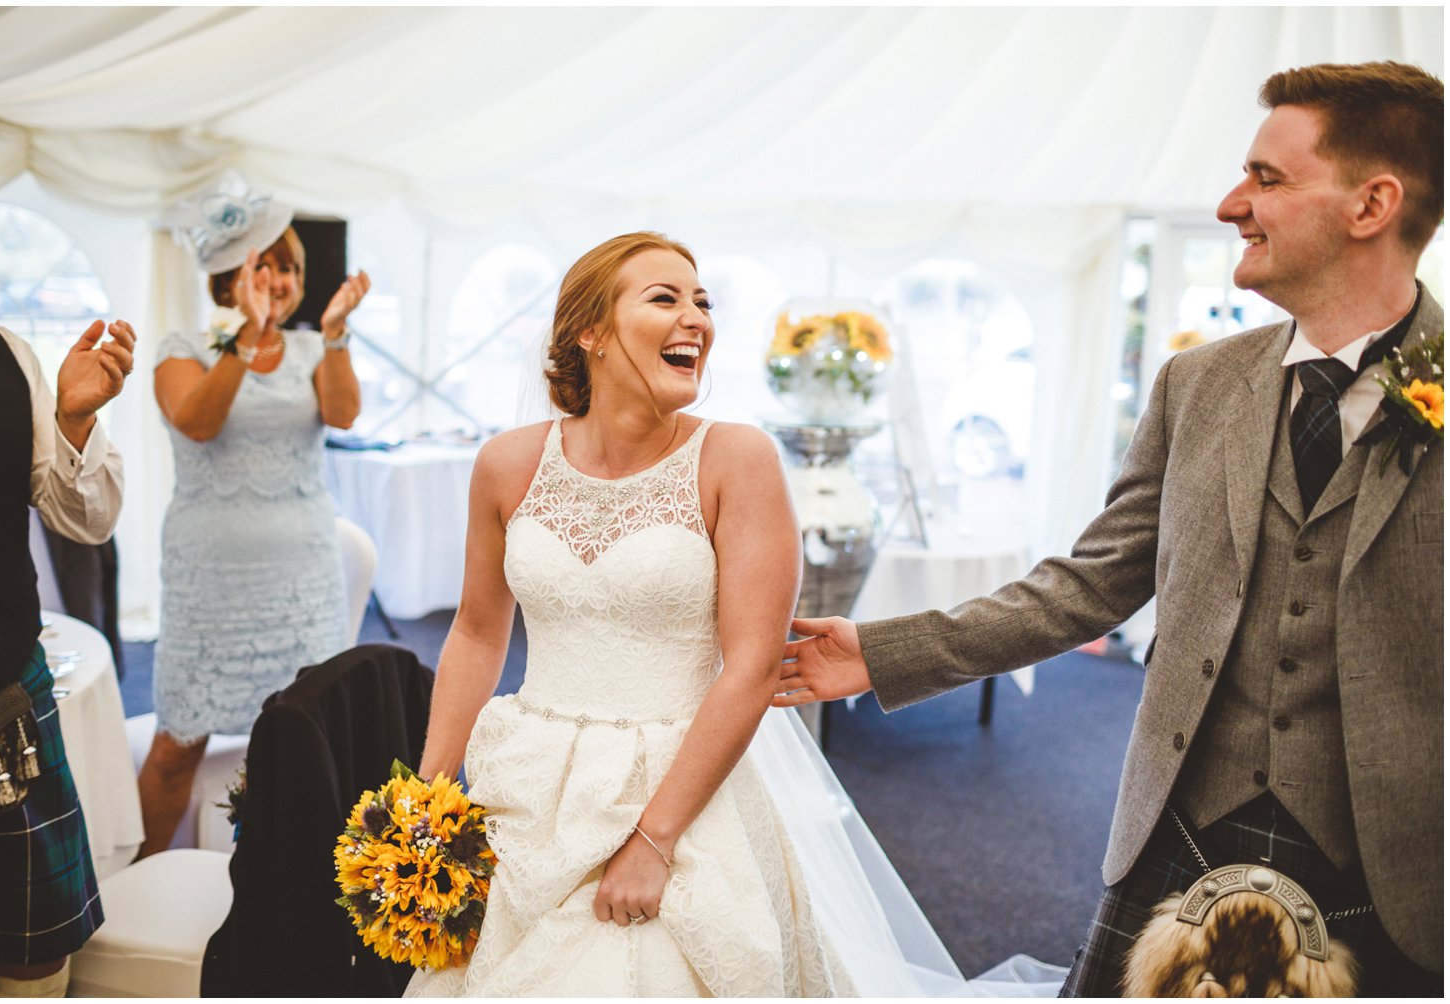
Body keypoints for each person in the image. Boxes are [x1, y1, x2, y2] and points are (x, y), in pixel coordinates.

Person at [775, 61, 1443, 997]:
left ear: (1372, 204)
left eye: (1266, 178)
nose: (1229, 204)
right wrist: (887, 651)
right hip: (1183, 829)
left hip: (1396, 873)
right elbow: (1090, 585)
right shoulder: (1197, 386)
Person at [404, 232, 1053, 997]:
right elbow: (478, 631)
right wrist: (427, 802)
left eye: (702, 301)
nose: (696, 320)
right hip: (528, 783)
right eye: (665, 298)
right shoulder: (507, 464)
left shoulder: (737, 461)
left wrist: (653, 840)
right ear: (590, 332)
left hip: (680, 787)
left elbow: (751, 665)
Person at [138, 190, 371, 858]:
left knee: (311, 731)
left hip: (301, 577)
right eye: (262, 265)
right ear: (229, 276)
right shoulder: (184, 349)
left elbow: (345, 413)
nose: (278, 281)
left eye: (288, 268)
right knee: (179, 743)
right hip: (211, 582)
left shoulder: (310, 349)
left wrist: (334, 335)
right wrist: (245, 337)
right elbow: (199, 421)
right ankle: (143, 868)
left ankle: (302, 882)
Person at [0, 164, 135, 996]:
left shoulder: (6, 355)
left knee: (33, 947)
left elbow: (83, 519)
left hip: (10, 704)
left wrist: (72, 418)